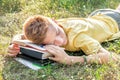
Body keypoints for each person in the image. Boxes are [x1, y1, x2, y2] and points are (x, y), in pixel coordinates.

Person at [8, 6, 120, 65]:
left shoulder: (78, 38)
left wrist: (70, 59)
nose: (60, 41)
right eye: (52, 43)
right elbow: (21, 36)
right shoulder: (50, 27)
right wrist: (15, 44)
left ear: (55, 22)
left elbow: (112, 58)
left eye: (58, 33)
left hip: (114, 22)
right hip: (96, 17)